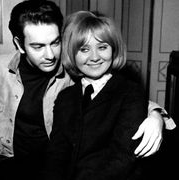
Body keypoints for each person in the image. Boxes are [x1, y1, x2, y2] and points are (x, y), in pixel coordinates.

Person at [0, 0, 175, 179]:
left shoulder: (74, 71)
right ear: (18, 44)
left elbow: (119, 96)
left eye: (55, 43)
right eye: (38, 46)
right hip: (1, 161)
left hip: (48, 167)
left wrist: (157, 116)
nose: (50, 54)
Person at [43, 11, 170, 180]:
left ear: (113, 49)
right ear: (72, 54)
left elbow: (122, 157)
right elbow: (57, 155)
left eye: (102, 47)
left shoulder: (130, 91)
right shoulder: (65, 97)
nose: (94, 57)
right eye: (84, 49)